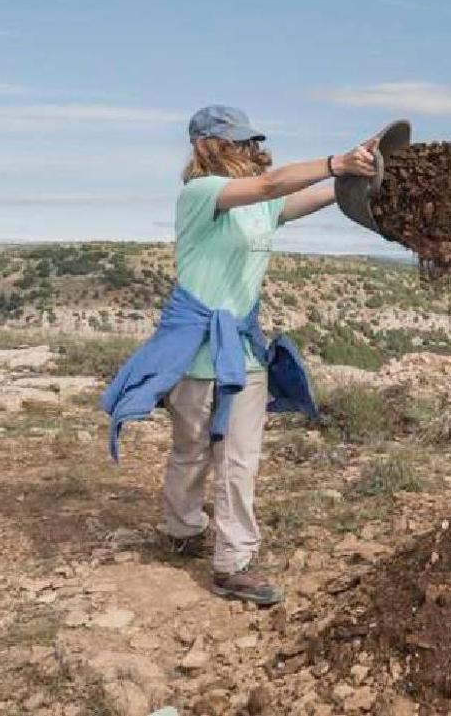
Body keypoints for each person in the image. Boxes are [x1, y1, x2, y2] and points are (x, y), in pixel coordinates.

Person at [102, 105, 378, 605]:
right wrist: (337, 160)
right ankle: (182, 528)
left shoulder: (256, 206)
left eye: (251, 142)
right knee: (190, 449)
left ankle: (233, 562)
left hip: (242, 354)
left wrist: (356, 182)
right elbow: (274, 186)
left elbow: (296, 198)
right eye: (238, 143)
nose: (250, 150)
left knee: (237, 459)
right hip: (193, 351)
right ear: (209, 146)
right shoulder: (202, 193)